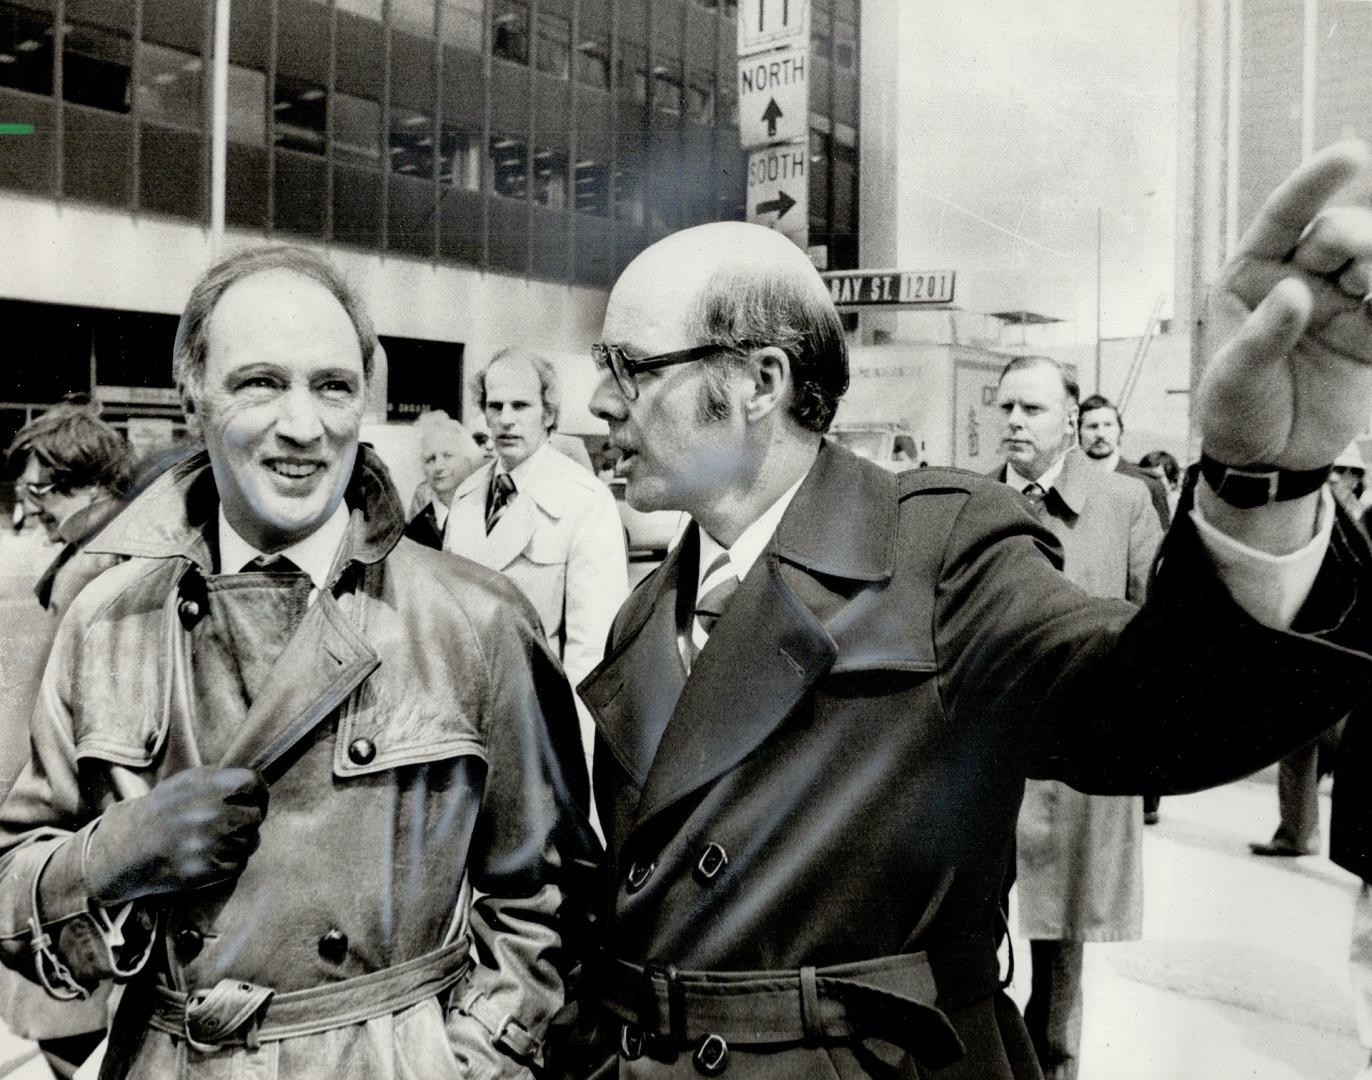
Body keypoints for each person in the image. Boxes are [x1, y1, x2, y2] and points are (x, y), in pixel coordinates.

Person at [565, 141, 1372, 1080]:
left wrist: (1259, 483)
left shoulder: (938, 553)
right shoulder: (644, 618)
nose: (598, 404)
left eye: (628, 367)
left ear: (758, 382)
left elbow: (1152, 712)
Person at [0, 245, 597, 1080]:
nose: (303, 426)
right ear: (193, 396)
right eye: (260, 383)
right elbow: (13, 887)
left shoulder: (477, 620)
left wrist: (471, 1062)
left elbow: (546, 906)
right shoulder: (109, 619)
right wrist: (112, 857)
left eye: (332, 385)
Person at [993, 357, 1164, 1080]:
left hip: (1075, 769)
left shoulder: (1124, 503)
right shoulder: (970, 500)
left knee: (1060, 969)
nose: (1013, 423)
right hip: (980, 763)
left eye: (1030, 409)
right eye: (1005, 408)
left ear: (1070, 420)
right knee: (965, 951)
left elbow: (1158, 635)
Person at [2, 410, 134, 1078]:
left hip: (80, 820)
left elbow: (59, 715)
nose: (35, 510)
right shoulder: (113, 541)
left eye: (42, 492)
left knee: (65, 1016)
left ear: (81, 482)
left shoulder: (93, 565)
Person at [445, 347, 628, 771]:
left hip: (538, 738)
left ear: (548, 414)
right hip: (463, 732)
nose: (506, 418)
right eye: (495, 406)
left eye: (521, 405)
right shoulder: (467, 496)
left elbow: (593, 655)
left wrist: (576, 763)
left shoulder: (586, 501)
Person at [9, 404, 133, 619]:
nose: (29, 509)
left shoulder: (109, 562)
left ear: (93, 482)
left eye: (38, 490)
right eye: (24, 491)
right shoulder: (94, 547)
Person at [1077, 393, 1171, 529]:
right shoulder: (1064, 485)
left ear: (1120, 430)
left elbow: (1161, 546)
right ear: (1078, 432)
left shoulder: (1148, 485)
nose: (1100, 434)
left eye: (1108, 425)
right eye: (1092, 426)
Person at [405, 415, 484, 549]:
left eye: (447, 456)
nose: (438, 467)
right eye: (430, 459)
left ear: (469, 460)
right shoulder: (415, 531)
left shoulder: (489, 514)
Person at [1139, 449, 1183, 515]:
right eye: (1146, 477)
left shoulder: (1177, 506)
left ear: (1172, 483)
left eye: (1155, 478)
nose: (1150, 483)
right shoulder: (1138, 503)